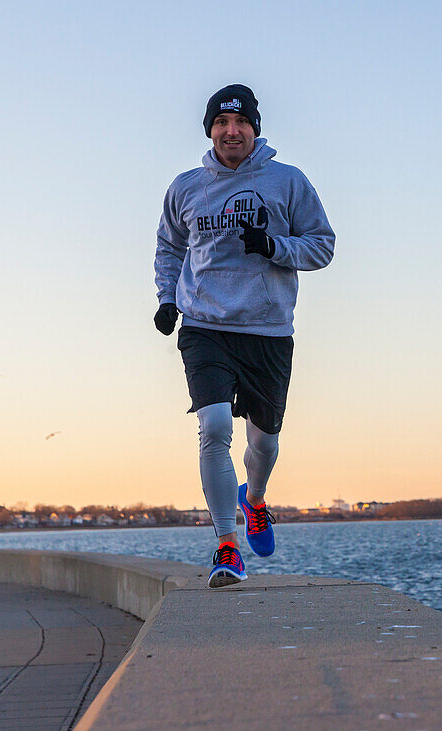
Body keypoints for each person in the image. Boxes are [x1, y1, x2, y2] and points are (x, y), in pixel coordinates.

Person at [153, 84, 335, 587]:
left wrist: (275, 246)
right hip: (205, 326)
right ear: (210, 130)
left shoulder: (288, 181)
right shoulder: (186, 187)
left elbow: (323, 247)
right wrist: (167, 299)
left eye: (241, 124)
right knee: (213, 427)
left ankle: (253, 500)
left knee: (265, 444)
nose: (231, 132)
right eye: (221, 124)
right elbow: (169, 249)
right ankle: (226, 546)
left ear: (255, 129)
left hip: (268, 330)